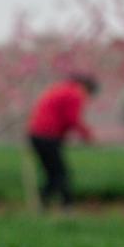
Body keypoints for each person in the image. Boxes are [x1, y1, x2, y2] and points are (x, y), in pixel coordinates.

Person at [27, 74, 98, 209]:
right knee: (61, 173)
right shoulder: (75, 94)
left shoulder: (61, 89)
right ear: (86, 88)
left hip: (37, 134)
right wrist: (87, 135)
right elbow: (72, 119)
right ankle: (66, 205)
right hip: (47, 136)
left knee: (53, 173)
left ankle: (45, 202)